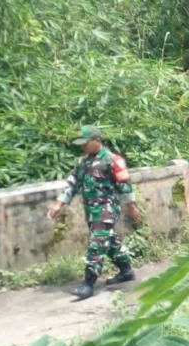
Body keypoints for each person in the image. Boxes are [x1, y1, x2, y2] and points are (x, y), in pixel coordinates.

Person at [47, 125, 142, 300]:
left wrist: (131, 205)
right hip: (91, 210)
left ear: (97, 140)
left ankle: (88, 284)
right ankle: (126, 271)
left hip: (106, 208)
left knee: (97, 243)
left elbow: (125, 184)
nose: (82, 147)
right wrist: (59, 204)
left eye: (85, 143)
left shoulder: (113, 160)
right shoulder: (83, 162)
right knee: (109, 241)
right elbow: (72, 183)